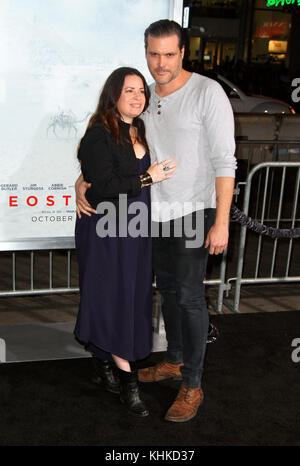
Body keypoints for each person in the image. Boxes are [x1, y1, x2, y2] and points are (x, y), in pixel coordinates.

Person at [76, 20, 237, 423]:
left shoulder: (207, 92)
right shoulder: (143, 98)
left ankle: (192, 384)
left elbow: (224, 160)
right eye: (153, 54)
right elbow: (116, 146)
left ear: (183, 51)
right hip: (150, 216)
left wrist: (221, 221)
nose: (160, 63)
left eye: (169, 54)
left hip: (192, 212)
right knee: (166, 293)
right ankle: (175, 361)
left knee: (188, 297)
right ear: (145, 51)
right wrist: (83, 180)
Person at [74, 66, 177, 418]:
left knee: (130, 296)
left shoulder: (141, 129)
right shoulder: (99, 134)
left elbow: (101, 177)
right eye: (129, 90)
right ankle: (127, 382)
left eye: (141, 91)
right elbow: (103, 187)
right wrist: (148, 177)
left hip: (135, 230)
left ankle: (103, 360)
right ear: (113, 95)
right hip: (106, 231)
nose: (137, 97)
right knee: (114, 297)